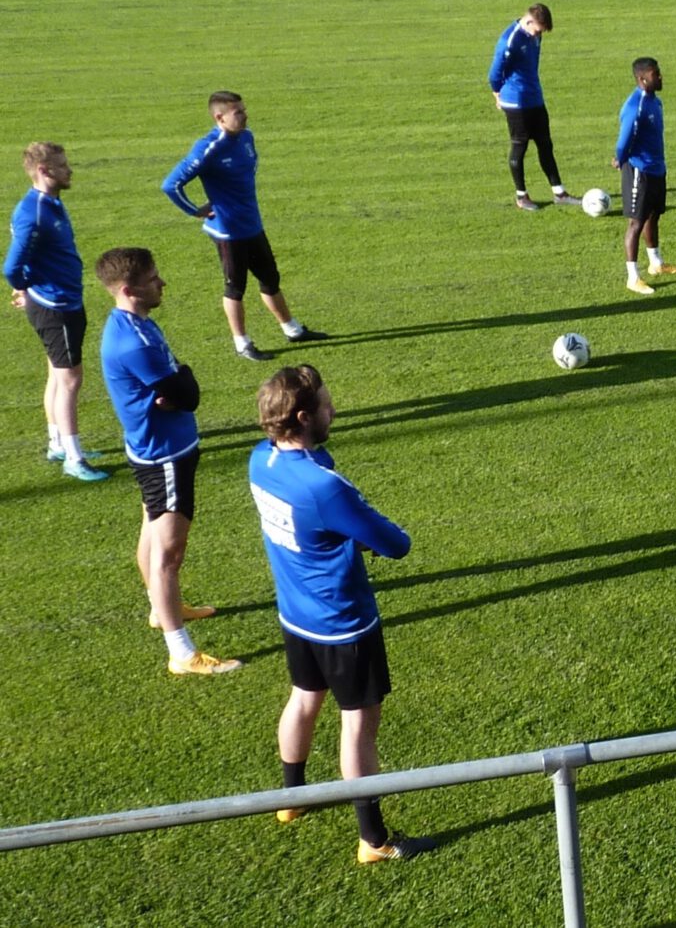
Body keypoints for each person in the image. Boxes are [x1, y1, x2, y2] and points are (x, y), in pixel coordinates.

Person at [251, 365, 427, 863]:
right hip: (344, 623)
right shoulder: (324, 488)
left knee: (303, 699)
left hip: (295, 614)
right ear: (304, 417)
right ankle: (374, 840)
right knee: (357, 725)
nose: (334, 409)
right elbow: (396, 544)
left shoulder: (259, 460)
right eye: (327, 404)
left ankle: (291, 800)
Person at [95, 247, 239, 676]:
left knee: (152, 532)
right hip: (165, 457)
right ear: (128, 289)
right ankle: (181, 653)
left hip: (154, 449)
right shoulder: (133, 341)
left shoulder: (134, 324)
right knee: (168, 554)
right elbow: (187, 393)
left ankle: (165, 608)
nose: (162, 283)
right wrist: (183, 381)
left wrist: (178, 383)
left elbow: (177, 388)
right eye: (153, 278)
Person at [162, 91, 328, 362]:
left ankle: (293, 330)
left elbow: (248, 170)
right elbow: (170, 184)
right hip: (228, 231)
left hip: (252, 224)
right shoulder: (208, 148)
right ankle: (242, 343)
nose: (245, 115)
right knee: (235, 288)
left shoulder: (246, 138)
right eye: (238, 112)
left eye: (244, 109)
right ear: (220, 117)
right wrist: (196, 211)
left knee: (270, 279)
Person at [7, 141, 107, 482]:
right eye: (63, 165)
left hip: (55, 301)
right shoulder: (34, 213)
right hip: (57, 306)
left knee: (55, 372)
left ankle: (58, 444)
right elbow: (12, 266)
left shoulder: (48, 203)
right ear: (44, 171)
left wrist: (29, 291)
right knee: (70, 379)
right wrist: (29, 289)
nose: (70, 170)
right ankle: (75, 458)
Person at [489, 3, 572, 210]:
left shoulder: (535, 35)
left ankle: (559, 193)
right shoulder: (510, 40)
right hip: (515, 101)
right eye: (537, 30)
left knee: (545, 144)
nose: (538, 35)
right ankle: (521, 196)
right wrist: (497, 95)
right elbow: (494, 74)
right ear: (528, 21)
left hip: (535, 97)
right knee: (520, 145)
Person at [615, 57, 676, 295]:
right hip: (639, 171)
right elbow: (625, 136)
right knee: (636, 222)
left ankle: (656, 264)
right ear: (642, 79)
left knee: (653, 216)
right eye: (655, 74)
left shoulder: (655, 102)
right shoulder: (637, 106)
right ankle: (632, 277)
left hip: (657, 169)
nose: (660, 76)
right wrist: (620, 157)